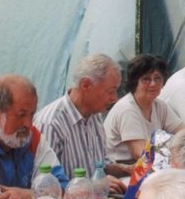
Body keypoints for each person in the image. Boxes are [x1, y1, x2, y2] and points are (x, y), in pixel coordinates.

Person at [34, 53, 127, 190]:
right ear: (85, 85)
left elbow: (100, 163)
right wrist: (94, 185)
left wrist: (129, 169)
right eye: (111, 91)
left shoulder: (94, 115)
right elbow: (45, 186)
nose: (114, 98)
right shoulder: (51, 123)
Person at [103, 53, 185, 164]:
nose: (153, 84)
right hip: (123, 172)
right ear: (135, 82)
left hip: (148, 167)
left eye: (157, 78)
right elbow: (141, 153)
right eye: (146, 79)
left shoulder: (160, 106)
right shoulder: (127, 109)